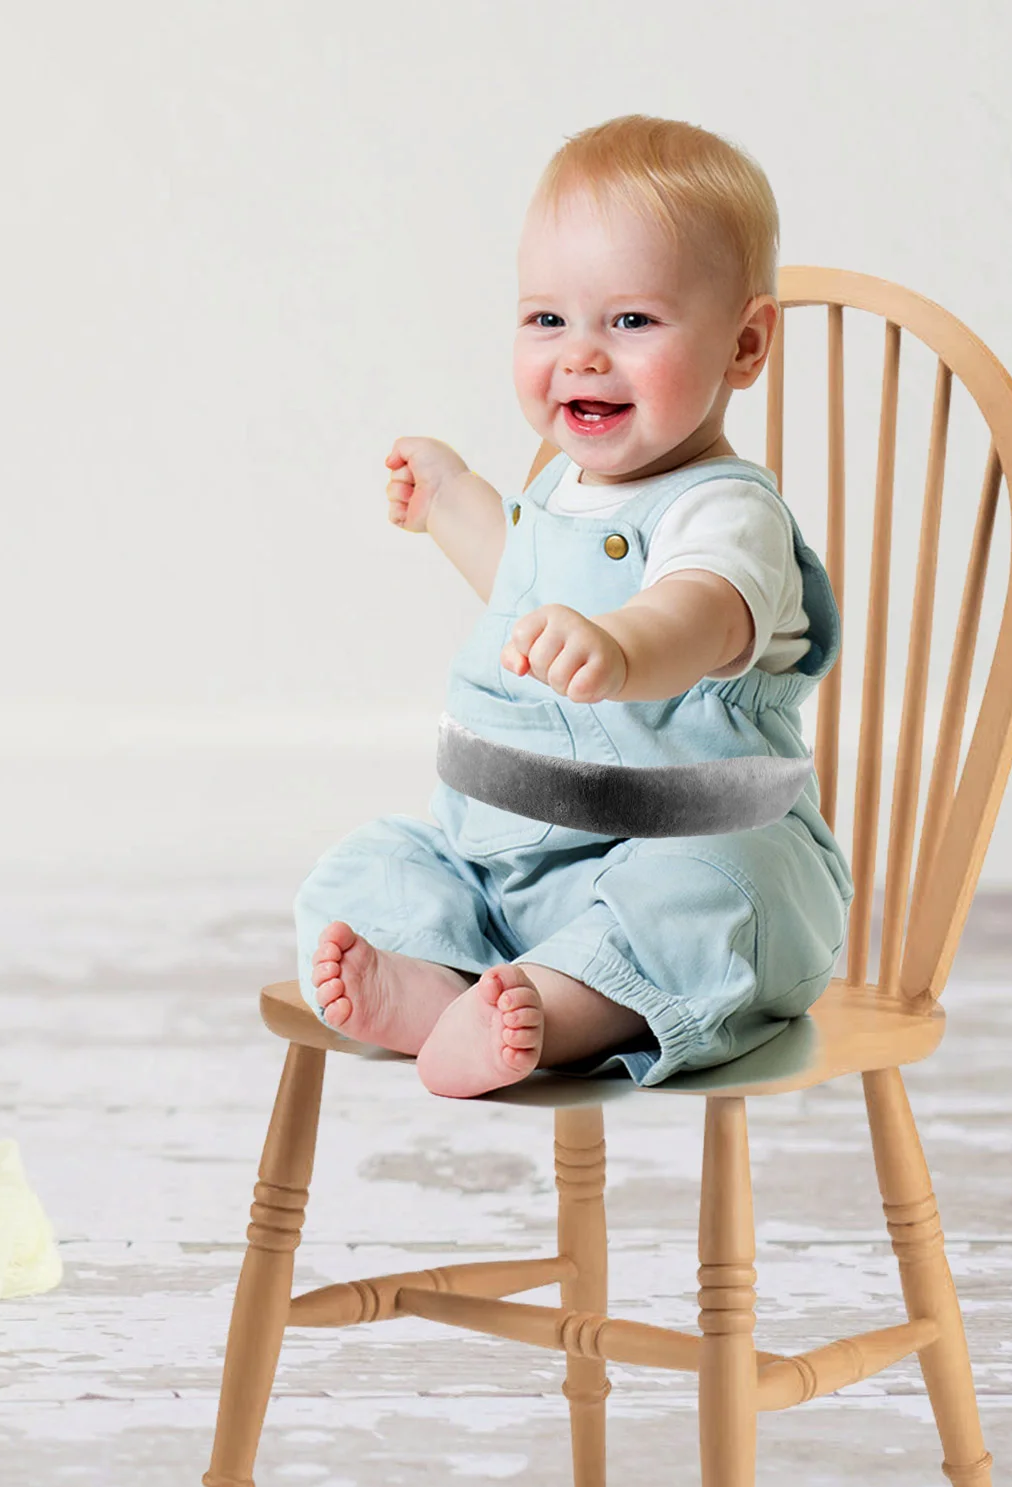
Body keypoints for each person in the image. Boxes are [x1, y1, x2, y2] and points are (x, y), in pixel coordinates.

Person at [295, 114, 851, 1097]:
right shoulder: (562, 490)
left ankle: (553, 1016)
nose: (582, 355)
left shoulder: (725, 512)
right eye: (547, 320)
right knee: (366, 866)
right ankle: (438, 987)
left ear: (745, 343)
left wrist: (623, 645)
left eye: (630, 321)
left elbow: (700, 611)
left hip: (679, 852)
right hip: (502, 867)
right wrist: (453, 499)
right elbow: (523, 572)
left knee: (711, 898)